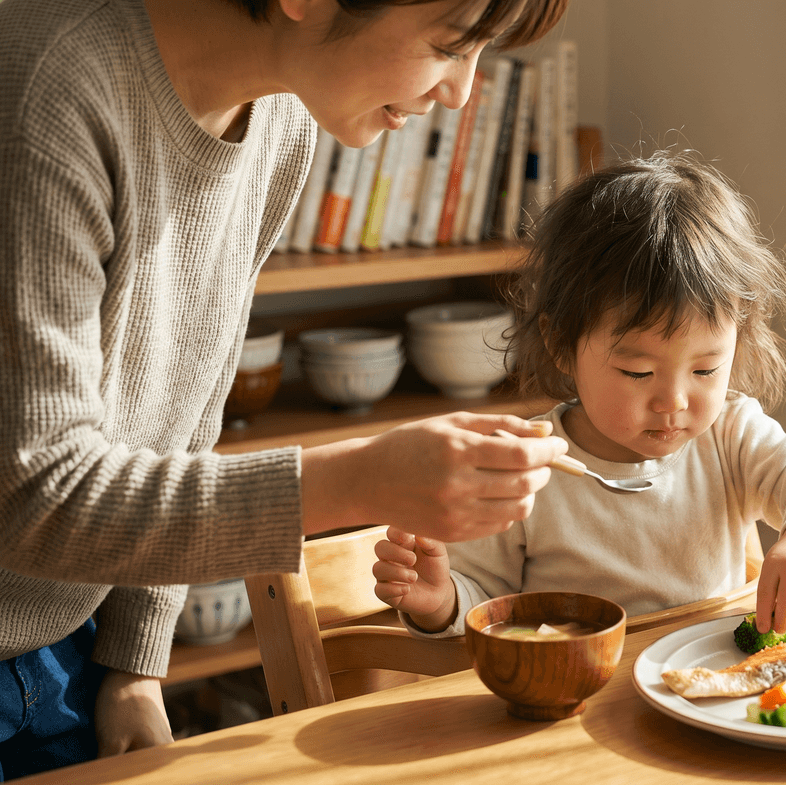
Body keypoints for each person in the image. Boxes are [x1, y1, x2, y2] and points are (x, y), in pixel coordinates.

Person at [0, 0, 571, 778]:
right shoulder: (47, 86)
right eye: (448, 47)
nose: (461, 93)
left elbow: (189, 406)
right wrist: (358, 479)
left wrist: (136, 656)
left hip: (63, 639)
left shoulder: (279, 125)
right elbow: (34, 493)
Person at [372, 151, 786, 641]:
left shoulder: (729, 435)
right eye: (638, 372)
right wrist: (441, 602)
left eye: (705, 368)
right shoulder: (525, 468)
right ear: (560, 345)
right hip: (582, 696)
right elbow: (486, 606)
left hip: (705, 686)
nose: (673, 400)